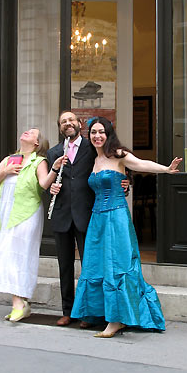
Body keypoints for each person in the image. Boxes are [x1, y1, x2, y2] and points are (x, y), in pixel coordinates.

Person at [70, 116, 182, 338]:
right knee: (97, 265)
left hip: (116, 217)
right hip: (97, 220)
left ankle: (116, 320)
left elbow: (140, 164)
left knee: (117, 264)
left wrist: (166, 169)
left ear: (108, 133)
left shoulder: (118, 155)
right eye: (93, 132)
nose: (97, 136)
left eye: (101, 131)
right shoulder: (93, 159)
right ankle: (103, 314)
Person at [47, 111, 129, 327]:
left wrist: (125, 183)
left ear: (79, 123)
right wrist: (52, 188)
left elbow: (113, 166)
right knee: (64, 266)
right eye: (63, 122)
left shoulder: (93, 146)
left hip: (88, 214)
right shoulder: (53, 152)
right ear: (60, 127)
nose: (68, 124)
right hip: (62, 215)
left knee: (91, 265)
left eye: (71, 120)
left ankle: (90, 313)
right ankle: (68, 311)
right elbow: (49, 183)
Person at [0, 128, 66, 322]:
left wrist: (55, 169)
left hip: (27, 214)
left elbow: (43, 184)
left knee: (20, 255)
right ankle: (21, 302)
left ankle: (18, 303)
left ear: (37, 143)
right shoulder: (9, 160)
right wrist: (5, 171)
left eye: (32, 133)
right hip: (6, 215)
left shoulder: (39, 161)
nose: (26, 132)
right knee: (8, 255)